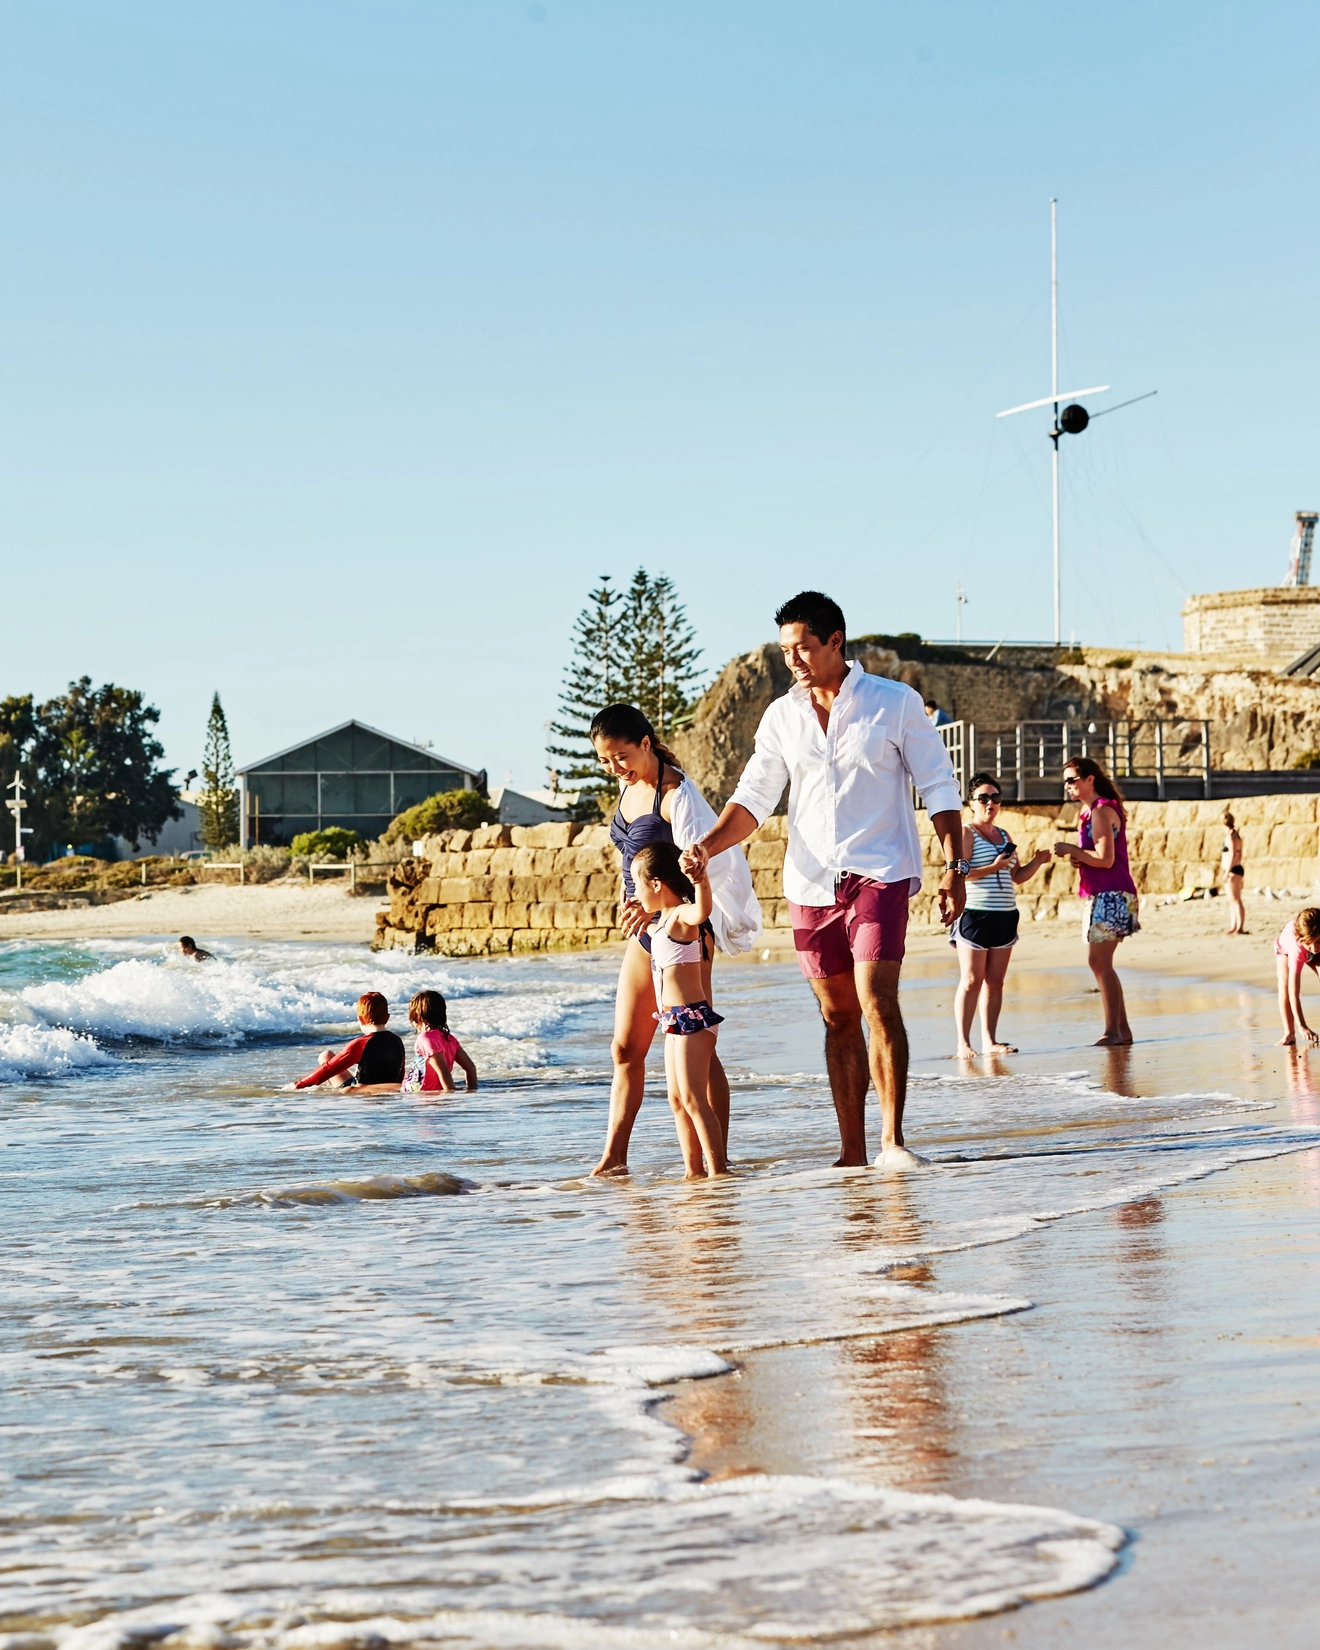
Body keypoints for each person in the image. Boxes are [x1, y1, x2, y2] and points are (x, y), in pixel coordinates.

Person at [683, 591, 967, 1170]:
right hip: (810, 883)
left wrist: (954, 867)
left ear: (835, 641)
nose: (793, 661)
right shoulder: (781, 716)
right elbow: (754, 798)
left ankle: (893, 1141)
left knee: (875, 999)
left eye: (803, 648)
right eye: (786, 651)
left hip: (880, 870)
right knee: (837, 1015)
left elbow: (938, 787)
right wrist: (706, 848)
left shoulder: (894, 702)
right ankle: (852, 1152)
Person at [588, 703, 760, 1177]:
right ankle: (614, 1158)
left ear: (645, 743)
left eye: (620, 756)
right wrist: (627, 899)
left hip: (682, 931)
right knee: (625, 1048)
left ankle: (716, 1162)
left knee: (696, 1042)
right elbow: (632, 857)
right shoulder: (628, 790)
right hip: (643, 932)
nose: (613, 768)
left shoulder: (676, 794)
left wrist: (657, 907)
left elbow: (700, 865)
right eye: (604, 760)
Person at [631, 841, 728, 1178]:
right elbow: (654, 923)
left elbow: (702, 910)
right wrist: (645, 911)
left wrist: (700, 879)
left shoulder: (683, 917)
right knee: (677, 1100)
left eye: (637, 883)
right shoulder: (661, 922)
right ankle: (692, 1171)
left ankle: (718, 1172)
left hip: (693, 1018)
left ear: (656, 884)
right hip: (672, 1021)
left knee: (692, 1097)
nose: (635, 891)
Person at [952, 773, 1050, 1057]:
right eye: (983, 798)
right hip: (975, 915)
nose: (990, 803)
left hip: (1005, 914)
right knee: (971, 980)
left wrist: (1038, 862)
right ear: (971, 803)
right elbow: (962, 873)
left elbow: (1017, 877)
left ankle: (989, 1041)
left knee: (995, 982)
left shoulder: (1005, 835)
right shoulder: (966, 832)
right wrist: (994, 867)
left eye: (995, 798)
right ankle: (963, 1043)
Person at [1052, 756, 1139, 1047]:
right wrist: (1080, 859)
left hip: (1112, 894)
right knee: (1100, 963)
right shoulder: (1089, 814)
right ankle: (1121, 1030)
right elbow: (1098, 857)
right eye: (1065, 780)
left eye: (1072, 779)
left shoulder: (1101, 811)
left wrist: (1071, 848)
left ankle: (1113, 1031)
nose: (1068, 786)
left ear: (1090, 780)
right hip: (1102, 892)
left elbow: (1106, 859)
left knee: (1099, 962)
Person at [296, 992, 406, 1090]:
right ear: (387, 1018)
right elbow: (400, 1073)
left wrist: (299, 1085)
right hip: (391, 1089)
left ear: (361, 1019)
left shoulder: (361, 1043)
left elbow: (329, 1069)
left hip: (361, 1091)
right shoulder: (397, 1040)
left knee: (325, 1056)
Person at [403, 989, 478, 1093]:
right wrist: (473, 1091)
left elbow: (444, 1073)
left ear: (417, 1016)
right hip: (434, 1092)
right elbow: (471, 1068)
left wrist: (449, 1097)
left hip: (419, 1094)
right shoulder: (449, 1038)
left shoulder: (425, 1038)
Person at [1274, 908, 1320, 1046]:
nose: (1315, 948)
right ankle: (1289, 1033)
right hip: (1285, 951)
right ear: (1301, 939)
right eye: (1310, 944)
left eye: (1318, 941)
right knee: (1285, 987)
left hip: (1308, 948)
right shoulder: (1297, 949)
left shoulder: (1315, 945)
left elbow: (1314, 947)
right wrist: (1302, 1026)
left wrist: (1314, 944)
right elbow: (1294, 994)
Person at [1223, 811, 1247, 935]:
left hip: (1232, 869)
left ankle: (1239, 927)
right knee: (1232, 900)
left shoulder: (1230, 836)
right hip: (1235, 868)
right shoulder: (1236, 835)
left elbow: (1232, 854)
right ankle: (1234, 925)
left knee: (1236, 900)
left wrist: (1227, 871)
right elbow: (1239, 853)